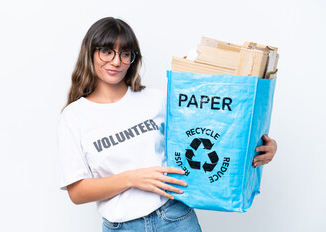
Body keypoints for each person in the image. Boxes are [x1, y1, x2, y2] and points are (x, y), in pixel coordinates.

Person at [57, 17, 277, 231]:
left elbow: (213, 133)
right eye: (107, 51)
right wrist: (132, 178)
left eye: (125, 54)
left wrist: (259, 147)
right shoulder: (74, 117)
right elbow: (77, 192)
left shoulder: (159, 100)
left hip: (175, 218)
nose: (116, 61)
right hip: (121, 227)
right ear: (90, 52)